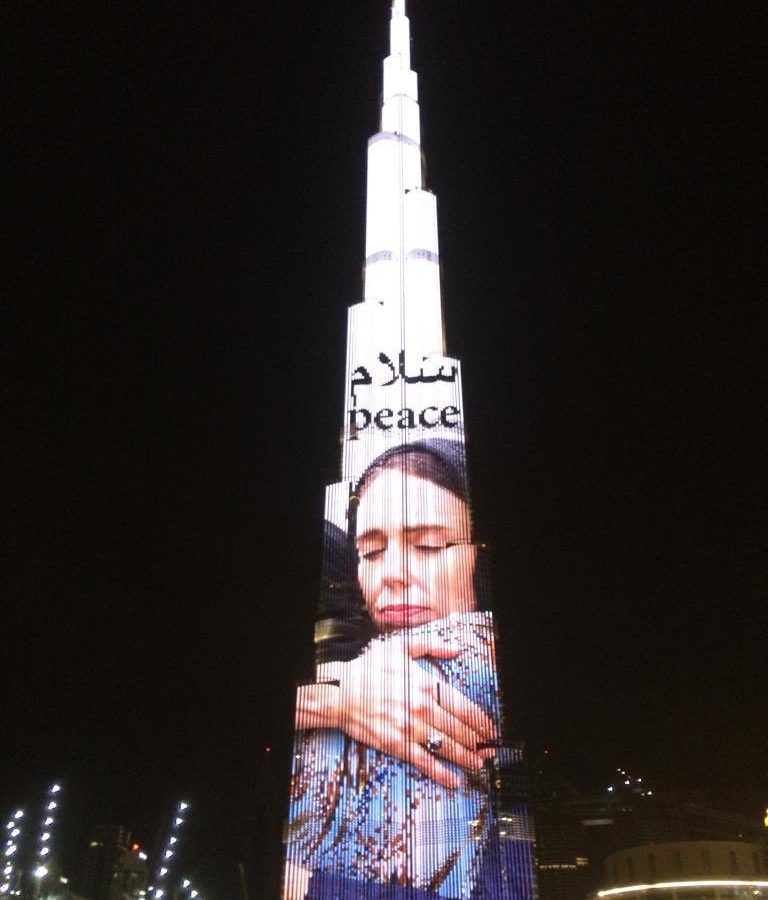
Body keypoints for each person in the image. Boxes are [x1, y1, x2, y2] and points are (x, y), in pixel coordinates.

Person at [284, 441, 506, 899]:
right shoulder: (357, 668)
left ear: (480, 556)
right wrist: (332, 697)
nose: (393, 573)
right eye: (369, 553)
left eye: (427, 545)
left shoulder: (462, 668)